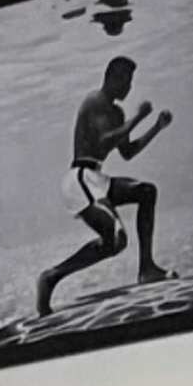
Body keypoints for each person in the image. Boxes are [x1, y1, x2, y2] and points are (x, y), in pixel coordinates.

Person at [35, 56, 169, 319]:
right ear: (112, 77)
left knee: (146, 191)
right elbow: (103, 143)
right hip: (80, 179)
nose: (129, 87)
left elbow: (128, 152)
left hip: (97, 178)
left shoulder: (118, 112)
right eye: (126, 81)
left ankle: (147, 268)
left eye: (131, 82)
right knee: (116, 241)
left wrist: (156, 128)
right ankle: (51, 277)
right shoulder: (93, 101)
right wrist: (138, 118)